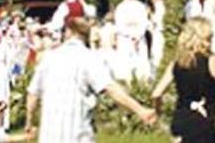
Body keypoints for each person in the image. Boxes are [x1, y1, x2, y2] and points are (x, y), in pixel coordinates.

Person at [26, 16, 155, 143]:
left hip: (49, 136)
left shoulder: (49, 58)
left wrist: (29, 122)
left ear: (69, 32)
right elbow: (111, 89)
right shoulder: (89, 58)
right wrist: (140, 110)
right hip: (77, 134)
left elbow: (32, 94)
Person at [150, 18, 215, 143]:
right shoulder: (213, 62)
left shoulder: (176, 63)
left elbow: (156, 94)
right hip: (203, 125)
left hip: (180, 122)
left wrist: (158, 112)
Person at [112, 0, 151, 83]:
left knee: (127, 64)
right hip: (136, 37)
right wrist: (136, 36)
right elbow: (144, 23)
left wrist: (131, 36)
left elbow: (119, 26)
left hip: (126, 38)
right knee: (139, 63)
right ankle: (141, 84)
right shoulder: (140, 6)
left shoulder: (120, 7)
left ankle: (130, 83)